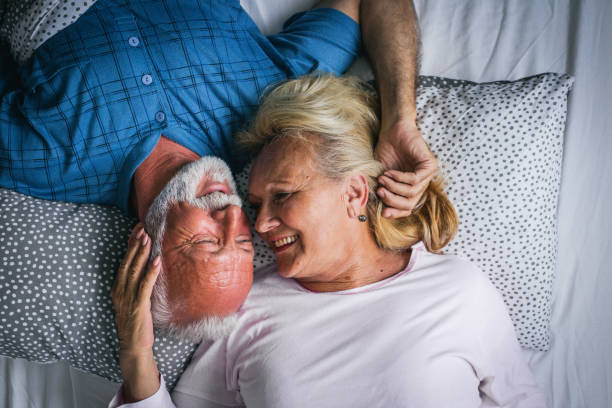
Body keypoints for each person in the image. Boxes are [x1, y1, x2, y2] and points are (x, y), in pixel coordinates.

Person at [0, 0, 436, 335]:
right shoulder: (272, 110)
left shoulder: (44, 160)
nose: (233, 214)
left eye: (209, 242)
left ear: (147, 246)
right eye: (245, 240)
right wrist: (400, 118)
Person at [110, 74, 546, 407]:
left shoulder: (458, 290)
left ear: (354, 192)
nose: (259, 225)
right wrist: (136, 357)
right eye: (257, 204)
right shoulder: (246, 309)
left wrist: (400, 116)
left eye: (282, 196)